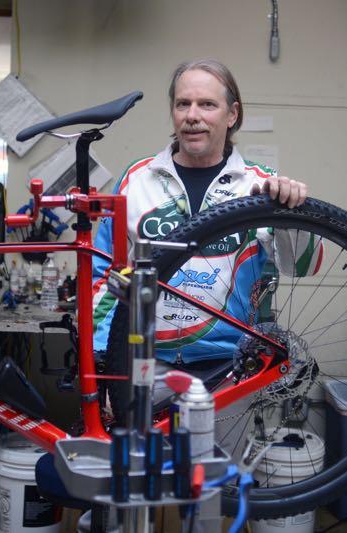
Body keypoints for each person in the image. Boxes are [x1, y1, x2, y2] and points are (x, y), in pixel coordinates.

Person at [92, 59, 322, 406]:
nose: (192, 115)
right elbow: (104, 274)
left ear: (232, 115)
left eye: (207, 104)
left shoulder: (260, 184)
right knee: (143, 462)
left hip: (231, 369)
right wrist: (102, 353)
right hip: (145, 364)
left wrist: (291, 214)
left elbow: (303, 266)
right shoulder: (135, 180)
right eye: (183, 103)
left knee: (217, 464)